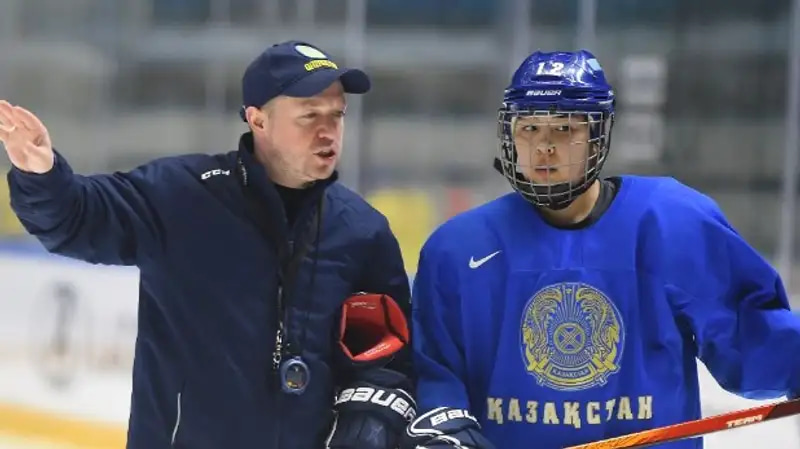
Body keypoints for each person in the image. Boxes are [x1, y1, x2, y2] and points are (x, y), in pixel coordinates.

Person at [1, 40, 416, 449]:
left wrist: (372, 417)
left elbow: (386, 355)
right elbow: (76, 220)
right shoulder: (182, 197)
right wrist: (42, 174)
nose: (328, 131)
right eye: (309, 116)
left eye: (337, 115)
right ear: (258, 120)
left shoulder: (363, 231)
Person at [401, 49, 800, 449]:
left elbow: (753, 334)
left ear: (596, 138)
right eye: (529, 129)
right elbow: (437, 377)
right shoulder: (456, 251)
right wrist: (446, 432)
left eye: (563, 130)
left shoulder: (673, 223)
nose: (544, 147)